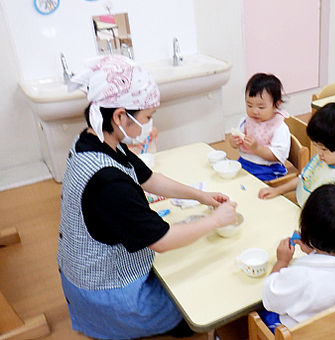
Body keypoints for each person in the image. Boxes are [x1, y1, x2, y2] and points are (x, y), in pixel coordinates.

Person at [56, 55, 237, 340]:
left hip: (83, 275)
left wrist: (201, 196)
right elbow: (162, 241)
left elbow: (148, 177)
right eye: (147, 118)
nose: (150, 125)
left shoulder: (95, 141)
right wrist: (216, 220)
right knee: (196, 308)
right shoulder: (108, 184)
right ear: (119, 116)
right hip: (106, 292)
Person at [261, 184, 335, 331]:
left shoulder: (302, 273)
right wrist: (314, 249)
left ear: (306, 226)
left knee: (260, 314)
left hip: (303, 334)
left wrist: (282, 261)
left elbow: (270, 298)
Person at [258, 102, 335, 207]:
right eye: (316, 146)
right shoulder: (322, 159)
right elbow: (304, 179)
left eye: (324, 149)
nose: (319, 153)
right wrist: (277, 190)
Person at [229, 73, 291, 181]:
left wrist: (257, 148)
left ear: (277, 104)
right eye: (249, 105)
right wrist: (233, 142)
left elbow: (278, 156)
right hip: (244, 162)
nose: (254, 111)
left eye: (261, 107)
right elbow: (235, 140)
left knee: (252, 189)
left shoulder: (279, 127)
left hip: (267, 169)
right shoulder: (246, 121)